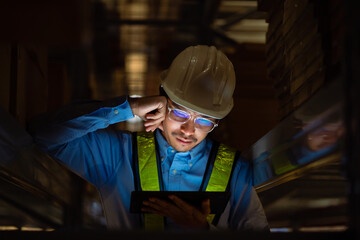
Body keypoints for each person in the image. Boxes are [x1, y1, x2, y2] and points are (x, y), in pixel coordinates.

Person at [29, 45, 268, 231]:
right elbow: (44, 134)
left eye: (204, 121)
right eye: (180, 112)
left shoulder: (236, 172)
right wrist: (130, 106)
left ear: (216, 122)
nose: (188, 129)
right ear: (161, 102)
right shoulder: (118, 156)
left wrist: (203, 230)